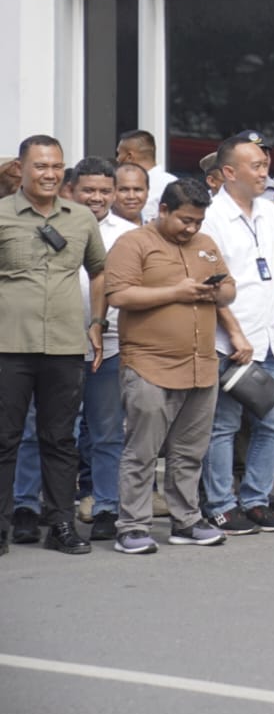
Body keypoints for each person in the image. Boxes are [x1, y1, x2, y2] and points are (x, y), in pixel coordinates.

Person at [105, 178, 235, 552]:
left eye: (197, 221)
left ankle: (187, 520)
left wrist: (215, 289)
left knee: (189, 451)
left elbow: (230, 290)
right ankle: (131, 526)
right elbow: (120, 294)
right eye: (184, 220)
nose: (191, 228)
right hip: (148, 365)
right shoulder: (133, 243)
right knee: (142, 450)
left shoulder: (205, 245)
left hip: (200, 365)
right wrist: (176, 292)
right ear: (162, 210)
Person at [0, 136, 107, 557]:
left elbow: (99, 271)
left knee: (60, 439)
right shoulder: (3, 215)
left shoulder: (80, 218)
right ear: (22, 169)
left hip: (64, 346)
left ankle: (61, 524)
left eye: (56, 166)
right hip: (9, 344)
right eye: (41, 166)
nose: (49, 173)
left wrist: (96, 322)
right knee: (5, 438)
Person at [200, 133, 274, 536]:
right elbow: (212, 285)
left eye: (265, 165)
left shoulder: (266, 211)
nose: (265, 172)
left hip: (270, 338)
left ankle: (256, 500)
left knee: (271, 423)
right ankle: (220, 504)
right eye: (256, 166)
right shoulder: (211, 220)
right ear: (229, 172)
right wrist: (234, 334)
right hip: (233, 342)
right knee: (224, 426)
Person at [70, 157, 139, 542]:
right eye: (88, 190)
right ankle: (42, 508)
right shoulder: (53, 224)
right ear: (72, 190)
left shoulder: (130, 234)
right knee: (46, 434)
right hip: (55, 347)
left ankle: (106, 508)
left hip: (110, 349)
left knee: (107, 434)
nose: (96, 198)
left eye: (103, 191)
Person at [114, 129, 177, 224]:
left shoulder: (172, 186)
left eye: (119, 154)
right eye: (124, 190)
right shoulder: (172, 182)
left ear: (129, 156)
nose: (117, 159)